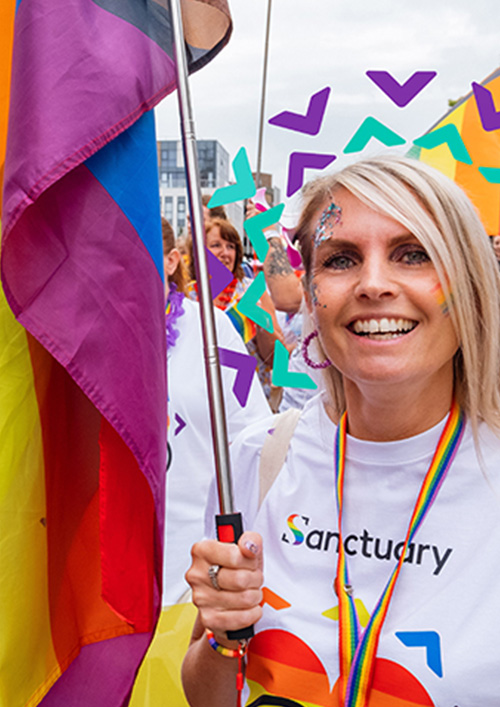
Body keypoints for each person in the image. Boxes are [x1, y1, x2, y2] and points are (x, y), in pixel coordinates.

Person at [181, 156, 500, 707]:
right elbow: (207, 694)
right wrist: (222, 634)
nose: (373, 284)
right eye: (341, 259)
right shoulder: (258, 460)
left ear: (471, 284)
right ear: (309, 294)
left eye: (413, 253)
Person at [129, 220, 269, 707]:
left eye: (142, 248)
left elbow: (255, 439)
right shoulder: (89, 332)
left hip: (186, 583)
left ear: (172, 262)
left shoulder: (214, 331)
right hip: (106, 581)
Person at [188, 217, 285, 400]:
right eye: (216, 245)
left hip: (246, 401)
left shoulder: (253, 290)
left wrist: (262, 324)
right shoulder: (187, 296)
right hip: (200, 401)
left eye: (231, 246)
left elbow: (275, 360)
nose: (225, 253)